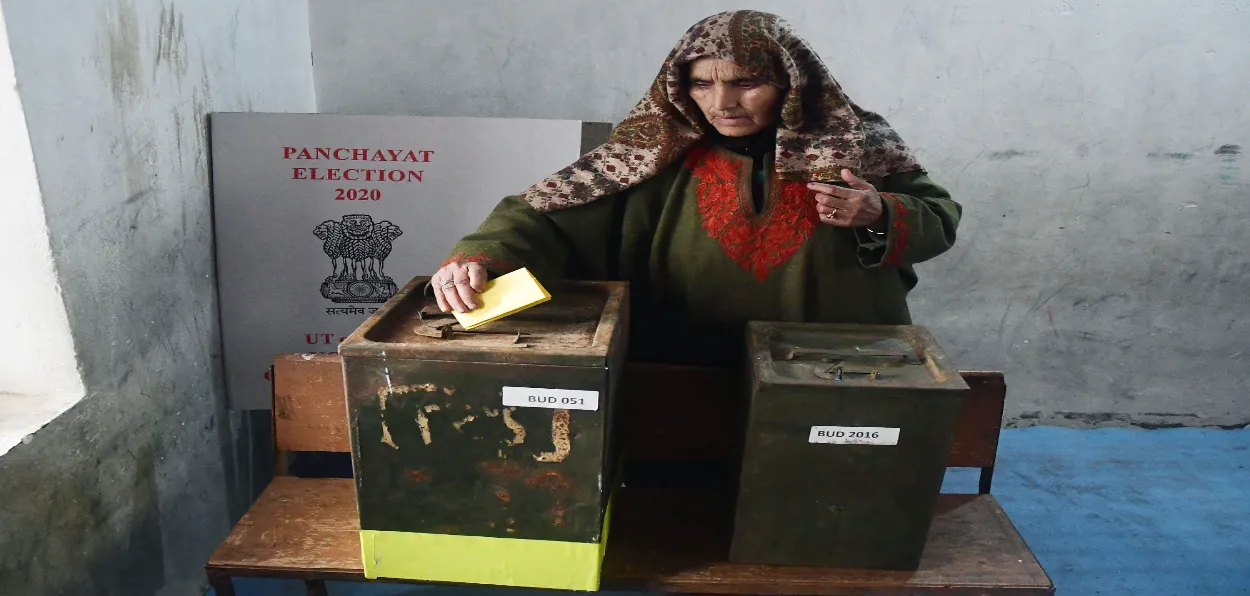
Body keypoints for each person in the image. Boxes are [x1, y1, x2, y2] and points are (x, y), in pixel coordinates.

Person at [430, 10, 961, 367]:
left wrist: (879, 211)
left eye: (745, 83)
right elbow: (545, 214)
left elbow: (940, 216)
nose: (721, 103)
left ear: (792, 83)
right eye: (702, 84)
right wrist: (480, 256)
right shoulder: (648, 154)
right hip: (680, 363)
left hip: (836, 369)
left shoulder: (856, 140)